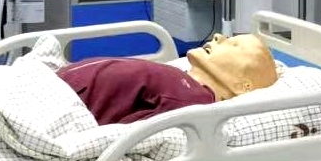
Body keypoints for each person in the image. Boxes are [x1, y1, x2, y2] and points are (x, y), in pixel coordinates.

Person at [56, 33, 278, 126]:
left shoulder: (193, 100)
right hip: (58, 86)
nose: (218, 36)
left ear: (243, 86)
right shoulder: (185, 83)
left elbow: (129, 136)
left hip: (61, 103)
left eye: (234, 45)